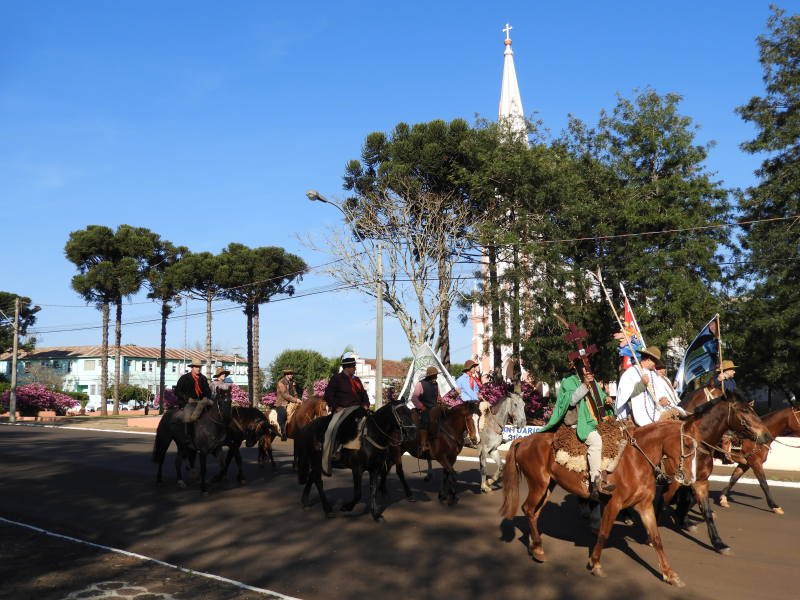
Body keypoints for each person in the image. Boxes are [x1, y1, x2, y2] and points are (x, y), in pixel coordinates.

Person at [540, 359, 616, 499]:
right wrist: (585, 384)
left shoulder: (591, 378)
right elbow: (571, 400)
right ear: (575, 366)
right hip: (579, 423)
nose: (586, 367)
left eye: (588, 364)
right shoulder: (568, 380)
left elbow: (599, 395)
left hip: (596, 422)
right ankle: (596, 480)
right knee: (596, 441)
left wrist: (607, 398)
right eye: (583, 364)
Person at [321, 357, 370, 476]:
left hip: (359, 408)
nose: (355, 368)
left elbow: (364, 394)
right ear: (347, 368)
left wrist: (366, 404)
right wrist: (336, 406)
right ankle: (332, 453)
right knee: (333, 428)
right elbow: (329, 395)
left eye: (355, 366)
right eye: (353, 366)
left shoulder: (356, 380)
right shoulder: (336, 379)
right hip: (343, 409)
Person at [616, 346, 666, 426]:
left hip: (656, 412)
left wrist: (664, 398)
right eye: (655, 362)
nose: (656, 364)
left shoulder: (654, 374)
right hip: (638, 414)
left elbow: (660, 392)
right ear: (649, 359)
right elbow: (625, 396)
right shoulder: (631, 372)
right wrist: (642, 384)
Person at [174, 359, 212, 443]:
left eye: (200, 367)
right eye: (196, 367)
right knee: (187, 416)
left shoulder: (203, 378)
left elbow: (208, 391)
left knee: (215, 410)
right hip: (189, 402)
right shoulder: (185, 378)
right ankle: (186, 437)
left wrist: (206, 397)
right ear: (192, 368)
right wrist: (187, 398)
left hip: (201, 401)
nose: (198, 368)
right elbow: (177, 391)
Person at [411, 366, 442, 454]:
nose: (436, 377)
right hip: (425, 408)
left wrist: (439, 399)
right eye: (434, 375)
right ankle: (422, 445)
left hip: (435, 407)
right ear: (429, 376)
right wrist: (421, 406)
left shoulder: (436, 384)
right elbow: (414, 398)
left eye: (436, 375)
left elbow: (438, 397)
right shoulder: (420, 384)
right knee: (426, 421)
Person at [455, 359, 490, 435]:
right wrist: (456, 392)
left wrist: (479, 395)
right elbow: (456, 393)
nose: (475, 369)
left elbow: (476, 391)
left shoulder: (474, 380)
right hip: (466, 404)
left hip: (475, 403)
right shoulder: (460, 380)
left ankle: (480, 433)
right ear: (469, 368)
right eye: (474, 367)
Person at [275, 366, 301, 441]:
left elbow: (294, 393)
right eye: (290, 373)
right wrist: (295, 400)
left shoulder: (292, 383)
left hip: (292, 402)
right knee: (283, 414)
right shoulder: (281, 382)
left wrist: (297, 400)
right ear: (286, 374)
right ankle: (283, 432)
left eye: (292, 373)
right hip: (282, 403)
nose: (292, 375)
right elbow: (285, 394)